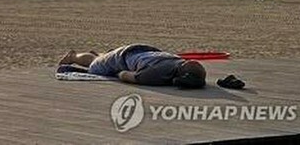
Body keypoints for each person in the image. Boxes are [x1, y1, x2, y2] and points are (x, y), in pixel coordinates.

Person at [58, 44, 207, 88]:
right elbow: (124, 75)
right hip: (122, 57)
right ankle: (74, 56)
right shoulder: (156, 74)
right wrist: (117, 73)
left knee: (102, 59)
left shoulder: (178, 60)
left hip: (146, 50)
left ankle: (102, 56)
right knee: (95, 66)